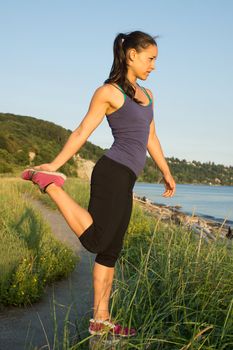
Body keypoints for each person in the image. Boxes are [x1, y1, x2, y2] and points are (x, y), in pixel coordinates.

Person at [21, 30, 176, 337]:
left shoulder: (148, 96)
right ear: (132, 55)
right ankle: (50, 184)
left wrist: (166, 171)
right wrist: (54, 164)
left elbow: (151, 137)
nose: (153, 66)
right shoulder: (108, 92)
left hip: (128, 178)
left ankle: (101, 321)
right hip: (112, 172)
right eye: (151, 59)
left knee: (110, 252)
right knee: (96, 241)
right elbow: (82, 131)